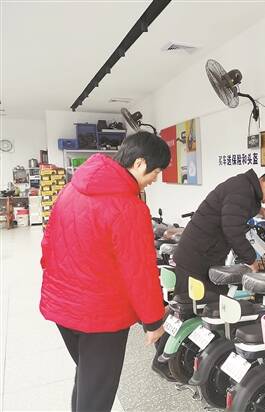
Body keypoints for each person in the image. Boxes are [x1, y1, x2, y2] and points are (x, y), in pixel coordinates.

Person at [40, 131, 171, 412]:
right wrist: (153, 321)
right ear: (139, 163)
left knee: (88, 378)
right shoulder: (130, 207)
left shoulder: (70, 190)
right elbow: (140, 272)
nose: (155, 179)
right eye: (156, 171)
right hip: (101, 317)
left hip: (62, 307)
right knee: (97, 392)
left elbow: (48, 243)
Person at [152, 169, 265, 380]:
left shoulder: (243, 187)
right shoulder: (242, 190)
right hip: (196, 256)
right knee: (191, 308)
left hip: (202, 254)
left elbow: (234, 210)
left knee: (209, 303)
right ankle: (162, 361)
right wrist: (251, 260)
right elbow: (232, 229)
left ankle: (189, 357)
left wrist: (258, 210)